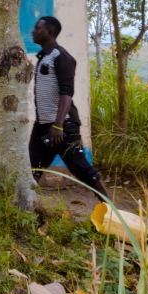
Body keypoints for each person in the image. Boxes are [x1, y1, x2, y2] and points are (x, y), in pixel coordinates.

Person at [29, 15, 109, 200]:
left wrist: (58, 125)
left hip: (62, 126)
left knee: (82, 169)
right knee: (32, 169)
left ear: (50, 32)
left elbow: (67, 93)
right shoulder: (43, 57)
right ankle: (24, 208)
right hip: (43, 125)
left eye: (38, 28)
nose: (33, 31)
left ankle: (110, 208)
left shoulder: (61, 56)